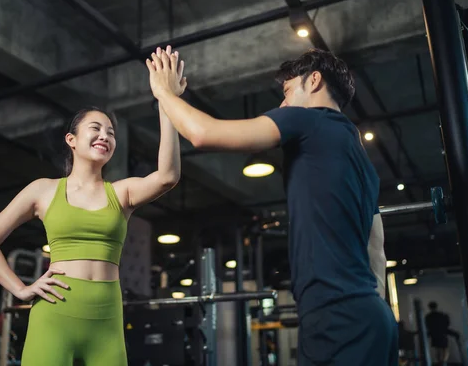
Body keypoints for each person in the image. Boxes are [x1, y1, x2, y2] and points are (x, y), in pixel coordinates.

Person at [146, 46, 398, 365]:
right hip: (374, 319)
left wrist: (163, 93)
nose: (282, 103)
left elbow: (203, 134)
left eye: (288, 90)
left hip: (337, 317)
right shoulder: (360, 158)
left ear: (315, 80)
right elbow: (377, 251)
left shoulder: (307, 120)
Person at [0, 47, 185, 366]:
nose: (105, 136)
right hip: (54, 317)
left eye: (111, 133)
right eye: (95, 129)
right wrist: (20, 289)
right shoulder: (43, 190)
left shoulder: (121, 193)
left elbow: (167, 176)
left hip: (106, 322)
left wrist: (166, 99)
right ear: (71, 140)